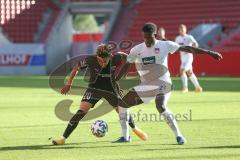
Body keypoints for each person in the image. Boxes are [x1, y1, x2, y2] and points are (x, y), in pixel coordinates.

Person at [116, 22, 222, 145]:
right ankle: (125, 137)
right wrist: (117, 79)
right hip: (147, 84)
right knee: (122, 104)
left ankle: (178, 135)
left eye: (149, 37)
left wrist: (209, 52)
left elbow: (188, 48)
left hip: (163, 82)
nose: (146, 40)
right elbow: (128, 64)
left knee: (160, 106)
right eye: (144, 37)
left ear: (154, 35)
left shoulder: (165, 45)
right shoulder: (137, 49)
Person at [52, 44, 148, 145]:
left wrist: (120, 77)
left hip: (110, 88)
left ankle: (134, 129)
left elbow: (130, 59)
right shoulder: (90, 60)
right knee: (81, 111)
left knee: (122, 110)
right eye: (100, 60)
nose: (102, 63)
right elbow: (75, 69)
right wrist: (69, 84)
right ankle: (63, 138)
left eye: (105, 61)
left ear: (110, 56)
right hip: (94, 88)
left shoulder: (117, 57)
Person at [175, 24, 202, 93]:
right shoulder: (177, 38)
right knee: (190, 73)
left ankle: (185, 88)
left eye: (182, 29)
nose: (181, 30)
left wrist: (192, 48)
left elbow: (196, 44)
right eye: (180, 29)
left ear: (185, 30)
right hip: (182, 59)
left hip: (189, 58)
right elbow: (176, 47)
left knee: (182, 71)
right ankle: (198, 87)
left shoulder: (189, 37)